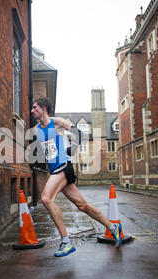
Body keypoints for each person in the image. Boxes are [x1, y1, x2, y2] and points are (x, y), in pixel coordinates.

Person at [30, 97, 123, 257]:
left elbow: (79, 133)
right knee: (82, 206)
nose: (32, 111)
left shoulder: (56, 122)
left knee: (46, 199)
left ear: (44, 108)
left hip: (64, 166)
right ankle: (113, 227)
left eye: (35, 108)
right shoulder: (37, 130)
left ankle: (65, 241)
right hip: (55, 170)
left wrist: (71, 150)